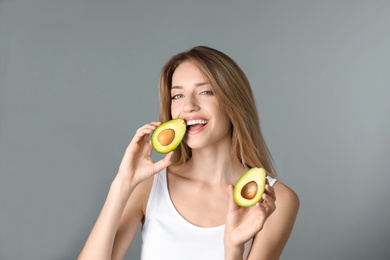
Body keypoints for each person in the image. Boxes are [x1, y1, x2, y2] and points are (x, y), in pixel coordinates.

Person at [78, 46, 299, 260]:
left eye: (205, 92)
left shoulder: (275, 200)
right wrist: (123, 183)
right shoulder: (149, 186)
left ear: (234, 100)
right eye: (177, 96)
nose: (189, 106)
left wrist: (233, 249)